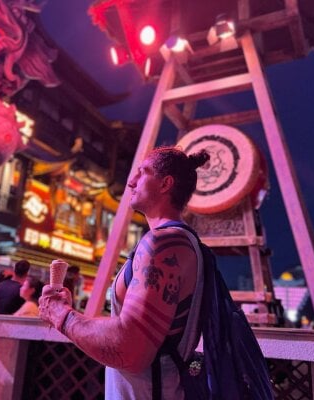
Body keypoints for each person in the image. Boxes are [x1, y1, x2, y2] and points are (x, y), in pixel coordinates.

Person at [39, 146, 210, 399]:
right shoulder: (180, 241)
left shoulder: (164, 244)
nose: (131, 182)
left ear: (165, 184)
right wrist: (70, 312)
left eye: (143, 172)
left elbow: (130, 350)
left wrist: (60, 315)